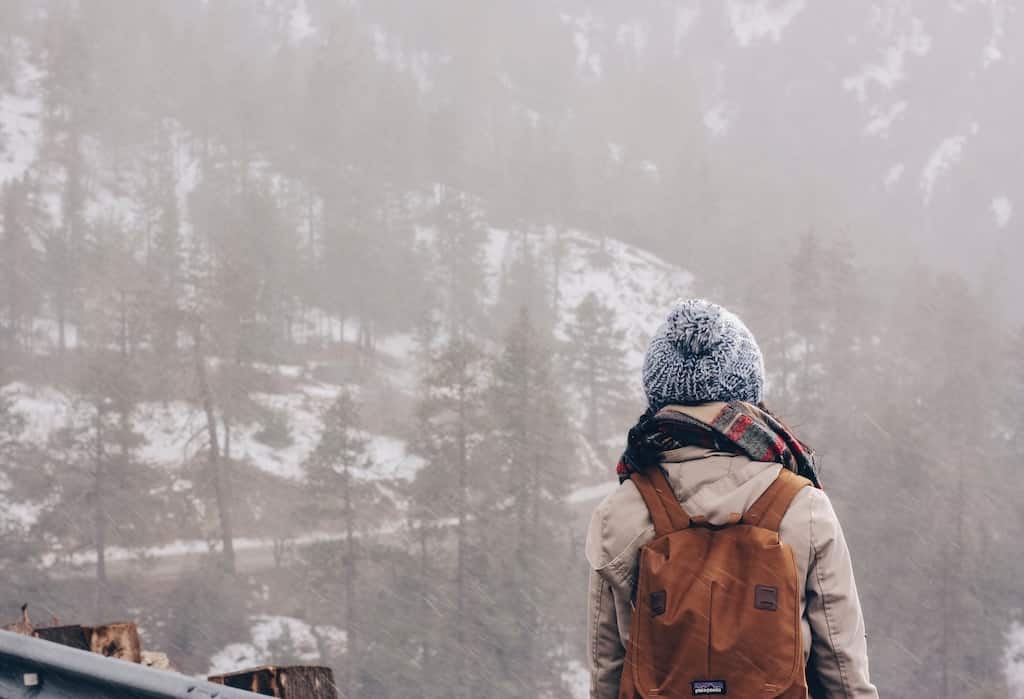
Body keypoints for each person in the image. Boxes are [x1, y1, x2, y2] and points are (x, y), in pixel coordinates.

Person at [586, 298, 878, 698]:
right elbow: (843, 672)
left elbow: (609, 674)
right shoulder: (802, 506)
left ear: (657, 395)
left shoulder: (621, 512)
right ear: (749, 393)